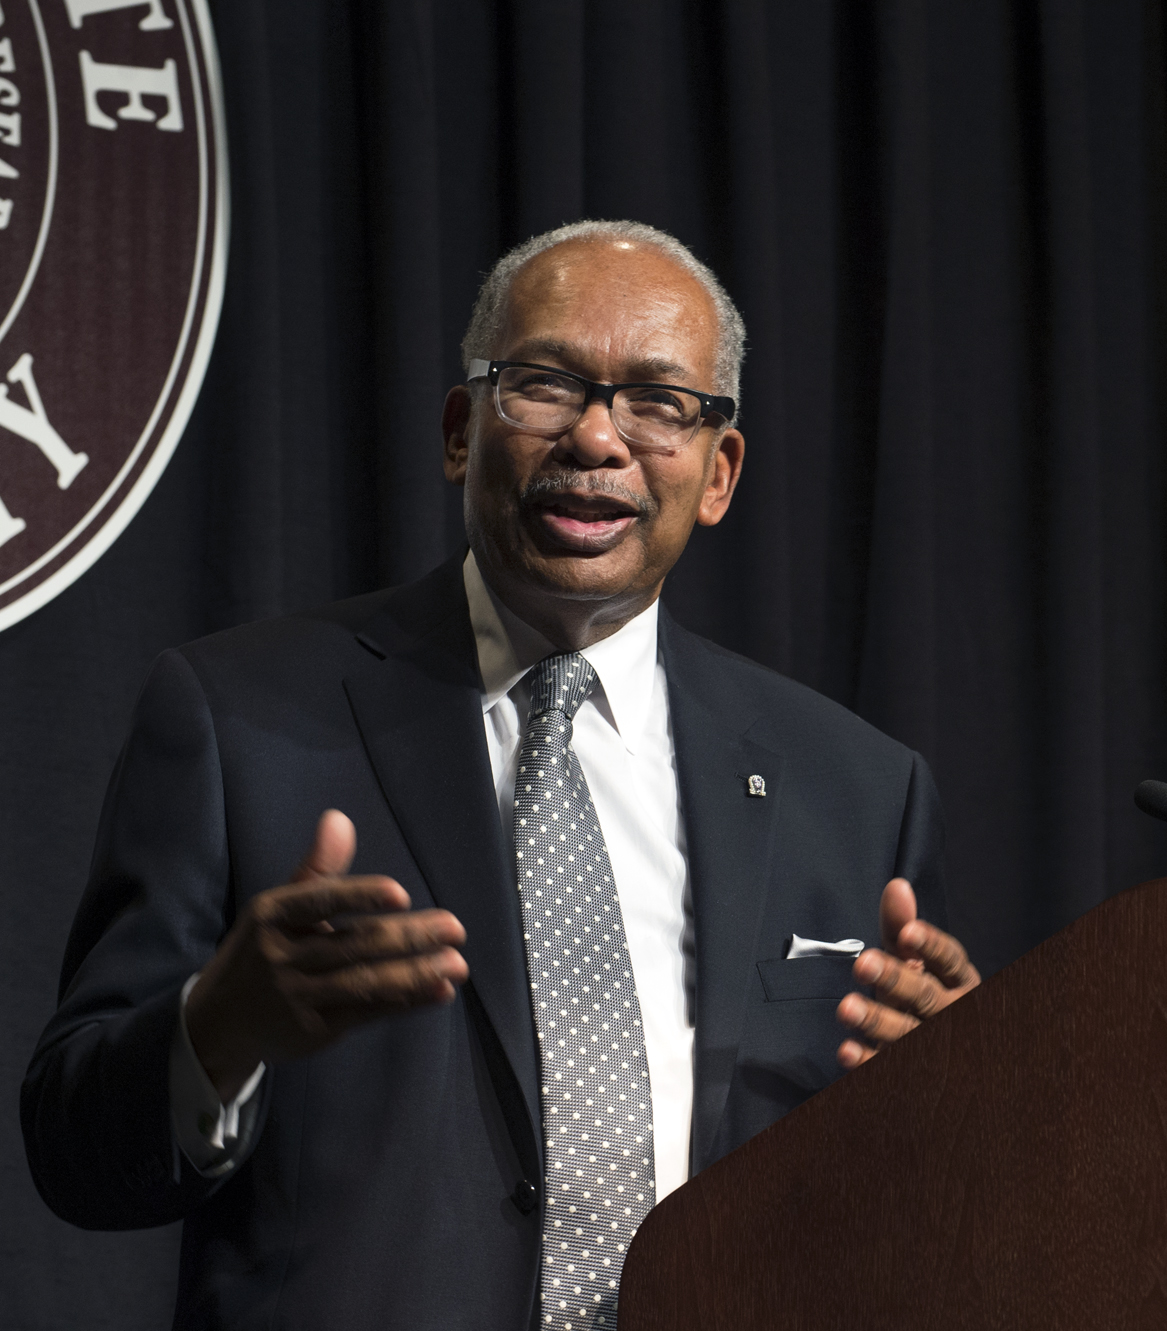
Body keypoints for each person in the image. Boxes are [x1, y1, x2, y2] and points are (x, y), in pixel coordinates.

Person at [20, 220, 977, 1330]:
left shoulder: (857, 788)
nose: (597, 438)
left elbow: (924, 1227)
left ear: (718, 474)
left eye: (659, 403)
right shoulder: (236, 720)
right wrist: (219, 1025)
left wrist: (957, 1103)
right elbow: (73, 1151)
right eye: (542, 385)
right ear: (459, 431)